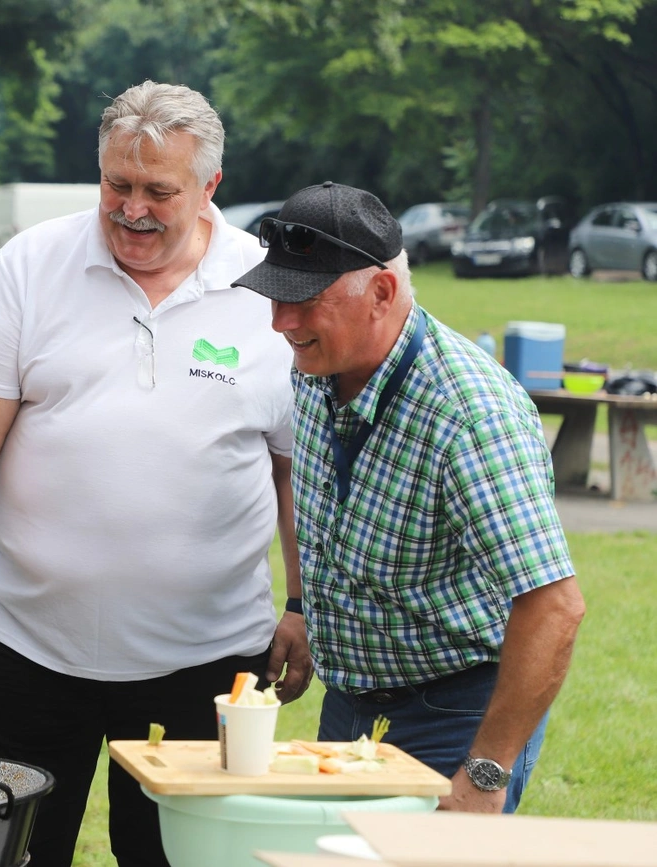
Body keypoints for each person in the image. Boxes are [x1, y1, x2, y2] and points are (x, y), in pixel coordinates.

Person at [0, 81, 310, 867]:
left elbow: (296, 467)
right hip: (23, 645)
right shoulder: (33, 262)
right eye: (117, 184)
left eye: (160, 191)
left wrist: (300, 600)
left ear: (210, 187)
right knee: (4, 855)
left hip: (208, 659)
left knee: (176, 860)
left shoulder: (265, 287)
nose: (132, 208)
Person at [231, 181, 586, 814]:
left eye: (305, 300)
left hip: (456, 712)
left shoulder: (470, 416)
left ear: (382, 293)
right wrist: (304, 608)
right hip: (352, 703)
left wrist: (484, 772)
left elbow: (555, 607)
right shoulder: (315, 366)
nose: (282, 323)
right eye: (277, 299)